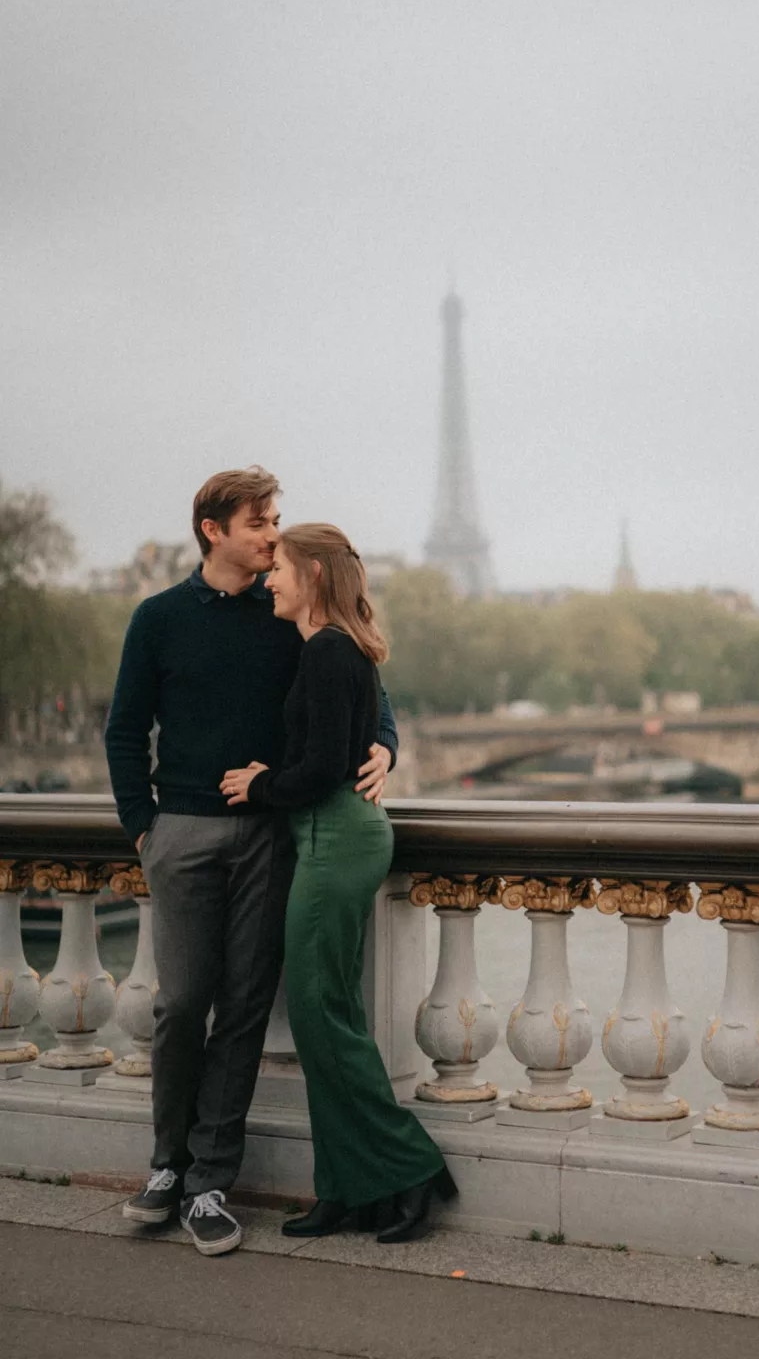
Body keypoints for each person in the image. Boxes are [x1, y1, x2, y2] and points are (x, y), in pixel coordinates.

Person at [106, 468, 399, 1257]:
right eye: (259, 523)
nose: (274, 534)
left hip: (273, 835)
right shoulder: (159, 618)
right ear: (213, 529)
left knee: (241, 1010)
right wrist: (144, 829)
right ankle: (166, 1164)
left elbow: (368, 688)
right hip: (183, 832)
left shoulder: (289, 610)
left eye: (276, 522)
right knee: (180, 1006)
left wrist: (385, 748)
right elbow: (125, 730)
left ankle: (208, 1182)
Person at [221, 523, 456, 1244]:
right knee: (332, 1021)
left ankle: (413, 1166)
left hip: (331, 837)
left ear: (314, 576)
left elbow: (322, 769)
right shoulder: (338, 648)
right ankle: (347, 1189)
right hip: (336, 836)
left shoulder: (326, 652)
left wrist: (260, 785)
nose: (271, 581)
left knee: (323, 1020)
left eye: (282, 570)